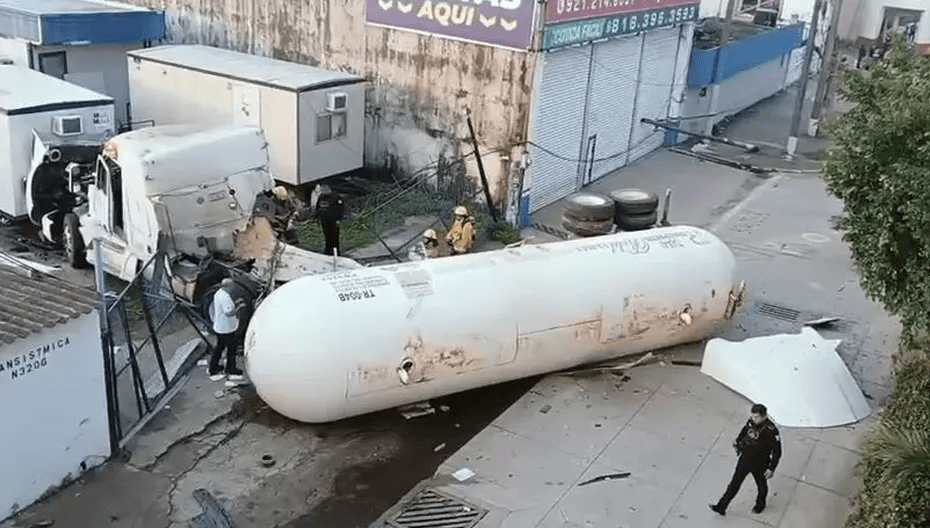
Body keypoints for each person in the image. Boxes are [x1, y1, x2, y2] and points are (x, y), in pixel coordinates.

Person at [710, 403, 782, 516]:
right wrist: (738, 442)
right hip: (745, 459)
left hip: (760, 463)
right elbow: (745, 431)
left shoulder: (771, 431)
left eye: (756, 417)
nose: (753, 419)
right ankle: (721, 506)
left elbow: (777, 452)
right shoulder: (751, 422)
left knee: (761, 485)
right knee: (734, 484)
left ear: (764, 416)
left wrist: (771, 468)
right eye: (752, 416)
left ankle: (760, 504)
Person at [207, 278, 247, 386]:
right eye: (232, 286)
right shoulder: (225, 297)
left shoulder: (218, 293)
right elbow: (229, 312)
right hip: (226, 328)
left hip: (221, 327)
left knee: (220, 348)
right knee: (230, 349)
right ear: (228, 286)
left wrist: (236, 303)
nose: (233, 288)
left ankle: (214, 367)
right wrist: (239, 307)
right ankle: (229, 368)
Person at [312, 184, 345, 256]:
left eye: (323, 188)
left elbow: (341, 209)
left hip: (333, 220)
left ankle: (336, 252)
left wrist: (339, 218)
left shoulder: (336, 197)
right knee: (327, 236)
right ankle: (328, 250)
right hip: (324, 220)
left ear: (328, 188)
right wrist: (317, 216)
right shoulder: (321, 197)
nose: (322, 190)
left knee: (334, 237)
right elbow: (318, 207)